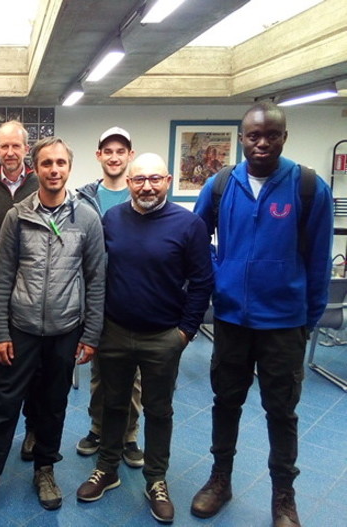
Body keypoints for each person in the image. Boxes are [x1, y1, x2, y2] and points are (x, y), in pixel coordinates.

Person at [191, 102, 333, 527]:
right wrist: (221, 276)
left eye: (272, 135)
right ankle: (220, 479)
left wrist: (308, 317)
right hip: (232, 321)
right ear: (241, 138)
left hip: (285, 324)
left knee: (282, 413)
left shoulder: (308, 187)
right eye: (254, 135)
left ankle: (284, 498)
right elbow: (197, 244)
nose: (263, 143)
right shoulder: (219, 185)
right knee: (225, 403)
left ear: (284, 137)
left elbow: (320, 260)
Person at [0, 137, 105, 524]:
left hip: (65, 330)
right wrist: (0, 332)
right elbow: (2, 277)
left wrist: (90, 334)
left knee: (53, 406)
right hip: (21, 328)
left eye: (61, 162)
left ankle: (45, 470)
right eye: (47, 163)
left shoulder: (88, 219)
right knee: (3, 407)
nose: (54, 170)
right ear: (36, 169)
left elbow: (96, 280)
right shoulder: (17, 216)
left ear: (69, 168)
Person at [75, 153, 213, 523]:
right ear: (129, 184)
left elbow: (202, 283)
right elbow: (97, 273)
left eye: (154, 179)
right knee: (113, 405)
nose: (147, 186)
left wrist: (184, 333)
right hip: (115, 332)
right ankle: (107, 469)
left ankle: (156, 479)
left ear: (167, 180)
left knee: (159, 410)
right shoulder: (112, 219)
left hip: (163, 337)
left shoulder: (189, 225)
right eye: (139, 180)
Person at [75, 126, 144, 468]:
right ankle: (99, 428)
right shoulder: (83, 198)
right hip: (94, 301)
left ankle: (129, 435)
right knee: (99, 373)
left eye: (121, 151)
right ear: (99, 155)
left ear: (129, 156)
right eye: (108, 151)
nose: (114, 157)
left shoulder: (141, 195)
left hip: (131, 299)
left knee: (132, 377)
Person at [0, 120, 39, 460]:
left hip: (32, 295)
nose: (10, 152)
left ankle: (32, 429)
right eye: (4, 146)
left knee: (32, 370)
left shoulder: (41, 184)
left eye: (16, 146)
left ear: (26, 149)